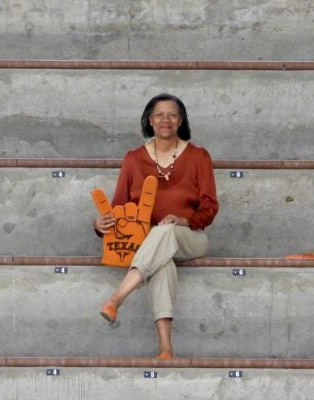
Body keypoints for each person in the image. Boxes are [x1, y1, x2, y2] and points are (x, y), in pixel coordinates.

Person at [93, 93, 219, 359]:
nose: (166, 120)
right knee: (163, 264)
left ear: (180, 120)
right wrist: (100, 224)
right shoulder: (133, 159)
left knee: (165, 232)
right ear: (150, 121)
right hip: (148, 242)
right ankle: (165, 348)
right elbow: (119, 207)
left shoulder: (199, 156)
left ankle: (117, 298)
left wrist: (185, 220)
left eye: (172, 114)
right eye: (159, 114)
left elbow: (210, 206)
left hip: (190, 236)